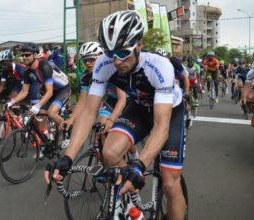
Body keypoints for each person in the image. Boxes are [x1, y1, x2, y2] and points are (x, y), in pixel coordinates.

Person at [45, 10, 186, 219]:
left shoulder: (159, 66)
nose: (116, 61)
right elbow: (88, 113)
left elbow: (161, 126)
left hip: (169, 112)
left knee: (169, 183)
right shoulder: (103, 64)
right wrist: (67, 158)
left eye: (122, 52)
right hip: (139, 108)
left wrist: (138, 165)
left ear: (139, 44)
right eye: (110, 53)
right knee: (109, 153)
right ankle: (132, 207)